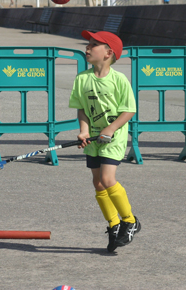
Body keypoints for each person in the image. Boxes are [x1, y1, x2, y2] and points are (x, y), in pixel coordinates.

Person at [68, 30, 140, 253]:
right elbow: (81, 109)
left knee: (108, 179)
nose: (87, 48)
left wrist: (110, 128)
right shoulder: (82, 78)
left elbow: (129, 110)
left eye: (93, 45)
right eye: (88, 44)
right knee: (98, 183)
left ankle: (129, 221)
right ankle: (114, 224)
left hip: (113, 138)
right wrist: (83, 130)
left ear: (108, 53)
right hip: (93, 140)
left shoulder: (119, 80)